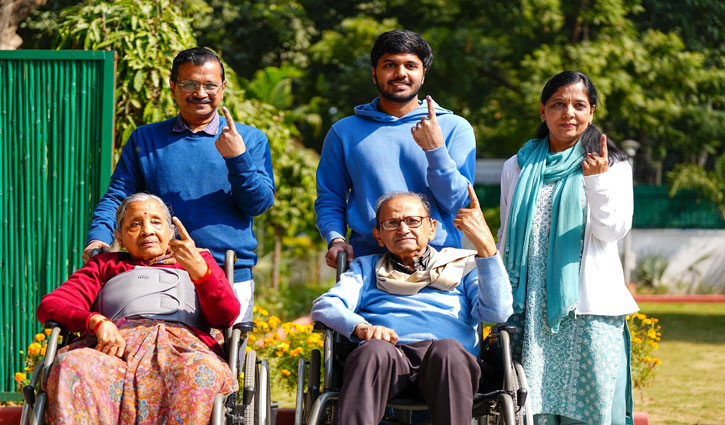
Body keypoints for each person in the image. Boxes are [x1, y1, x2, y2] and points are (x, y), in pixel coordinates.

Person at [83, 47, 274, 323]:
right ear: (173, 87)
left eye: (210, 85)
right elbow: (117, 196)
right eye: (189, 84)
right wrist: (99, 236)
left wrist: (237, 158)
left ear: (223, 88)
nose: (200, 93)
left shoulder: (248, 139)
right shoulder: (145, 139)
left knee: (223, 360)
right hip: (157, 271)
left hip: (228, 272)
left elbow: (258, 204)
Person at [497, 71, 639, 425]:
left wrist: (598, 182)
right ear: (542, 111)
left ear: (592, 112)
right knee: (532, 408)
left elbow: (613, 231)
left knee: (591, 411)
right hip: (529, 309)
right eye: (558, 104)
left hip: (588, 310)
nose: (568, 113)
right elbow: (505, 235)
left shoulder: (612, 165)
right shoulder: (517, 166)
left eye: (579, 105)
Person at [311, 188, 512, 425]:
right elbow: (326, 305)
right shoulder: (366, 268)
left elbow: (497, 312)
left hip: (449, 365)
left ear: (432, 227)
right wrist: (361, 327)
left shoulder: (463, 263)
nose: (403, 229)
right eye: (392, 223)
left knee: (447, 351)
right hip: (390, 360)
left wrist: (487, 249)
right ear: (378, 235)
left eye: (413, 221)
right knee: (373, 350)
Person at [37, 193, 240, 423]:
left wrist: (202, 273)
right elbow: (51, 305)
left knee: (200, 370)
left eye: (156, 222)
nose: (147, 231)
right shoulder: (105, 265)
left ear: (169, 230)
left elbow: (226, 316)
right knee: (72, 365)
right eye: (135, 224)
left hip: (182, 348)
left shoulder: (197, 260)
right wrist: (96, 321)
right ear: (120, 237)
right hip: (116, 350)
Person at [315, 29, 476, 268]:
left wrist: (435, 150)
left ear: (423, 75)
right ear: (374, 73)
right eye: (390, 65)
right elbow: (330, 198)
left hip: (441, 264)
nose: (400, 73)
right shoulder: (344, 132)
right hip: (366, 264)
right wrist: (335, 239)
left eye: (411, 66)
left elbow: (458, 204)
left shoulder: (454, 128)